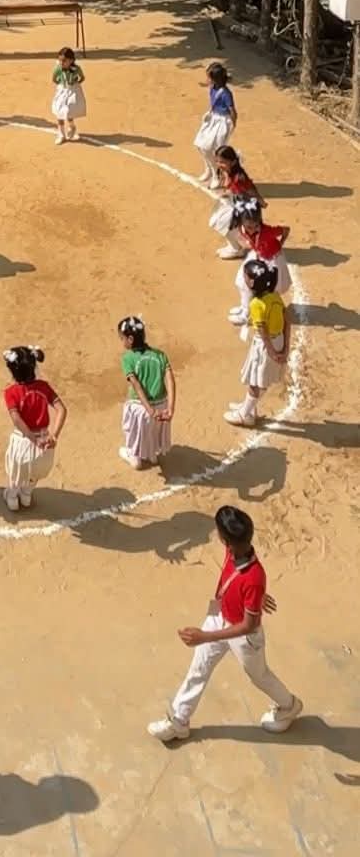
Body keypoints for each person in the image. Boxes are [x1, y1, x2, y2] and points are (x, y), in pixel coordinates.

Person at [147, 505, 301, 742]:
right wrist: (256, 597)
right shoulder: (236, 552)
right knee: (198, 669)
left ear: (225, 540)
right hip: (220, 616)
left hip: (243, 637)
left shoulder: (254, 576)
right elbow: (240, 584)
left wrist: (204, 637)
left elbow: (249, 625)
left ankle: (288, 705)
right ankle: (178, 721)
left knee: (259, 675)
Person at [225, 259, 290, 429]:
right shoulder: (274, 296)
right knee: (258, 378)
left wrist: (272, 352)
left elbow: (262, 331)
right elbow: (287, 321)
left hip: (264, 345)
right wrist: (285, 348)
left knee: (256, 381)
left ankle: (245, 414)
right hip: (278, 340)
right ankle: (248, 408)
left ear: (252, 283)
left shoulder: (256, 304)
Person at [2, 345, 66, 512]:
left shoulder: (11, 392)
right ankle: (26, 495)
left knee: (17, 472)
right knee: (35, 472)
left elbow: (16, 418)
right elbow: (62, 409)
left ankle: (12, 497)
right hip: (45, 441)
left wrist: (31, 437)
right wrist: (54, 436)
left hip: (23, 441)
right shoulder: (44, 387)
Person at [117, 315, 175, 470]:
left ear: (130, 339)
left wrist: (150, 410)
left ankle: (134, 456)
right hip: (162, 406)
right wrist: (170, 408)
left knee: (132, 428)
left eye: (121, 338)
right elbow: (170, 381)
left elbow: (136, 386)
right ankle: (151, 455)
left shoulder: (127, 359)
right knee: (152, 431)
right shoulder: (160, 355)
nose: (121, 341)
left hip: (141, 409)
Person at [229, 199, 291, 322]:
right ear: (242, 222)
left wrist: (280, 244)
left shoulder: (267, 231)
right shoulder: (241, 228)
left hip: (273, 261)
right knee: (242, 282)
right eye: (249, 227)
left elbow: (286, 230)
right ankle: (245, 308)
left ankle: (249, 314)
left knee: (265, 290)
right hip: (259, 256)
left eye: (255, 226)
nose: (252, 230)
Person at [211, 146, 260, 258]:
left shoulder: (238, 177)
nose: (219, 164)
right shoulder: (227, 171)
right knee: (218, 222)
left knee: (221, 223)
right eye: (217, 161)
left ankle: (236, 248)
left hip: (242, 207)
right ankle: (233, 245)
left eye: (222, 162)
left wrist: (228, 193)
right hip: (233, 203)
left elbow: (243, 194)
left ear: (232, 162)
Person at [194, 61, 237, 188]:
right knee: (200, 144)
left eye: (209, 76)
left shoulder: (225, 93)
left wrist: (232, 125)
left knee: (214, 150)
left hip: (223, 121)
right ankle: (209, 169)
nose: (207, 79)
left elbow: (233, 111)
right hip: (213, 118)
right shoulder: (213, 88)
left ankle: (216, 175)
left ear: (215, 79)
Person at [51, 47, 86, 144]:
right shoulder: (58, 69)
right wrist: (61, 85)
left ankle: (72, 126)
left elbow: (82, 78)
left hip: (73, 90)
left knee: (69, 110)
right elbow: (54, 79)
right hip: (62, 90)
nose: (61, 62)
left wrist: (76, 83)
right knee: (59, 111)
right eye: (60, 60)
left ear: (71, 60)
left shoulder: (76, 69)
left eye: (64, 60)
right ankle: (61, 134)